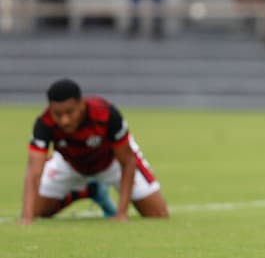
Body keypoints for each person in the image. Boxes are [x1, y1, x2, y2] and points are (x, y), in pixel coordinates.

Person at [20, 79, 169, 224]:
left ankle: (95, 187)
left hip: (111, 162)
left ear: (81, 104)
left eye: (69, 112)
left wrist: (121, 213)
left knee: (158, 214)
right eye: (57, 114)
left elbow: (128, 162)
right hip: (69, 164)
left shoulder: (106, 114)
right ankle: (88, 190)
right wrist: (27, 217)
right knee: (36, 211)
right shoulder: (44, 123)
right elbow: (34, 170)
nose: (64, 120)